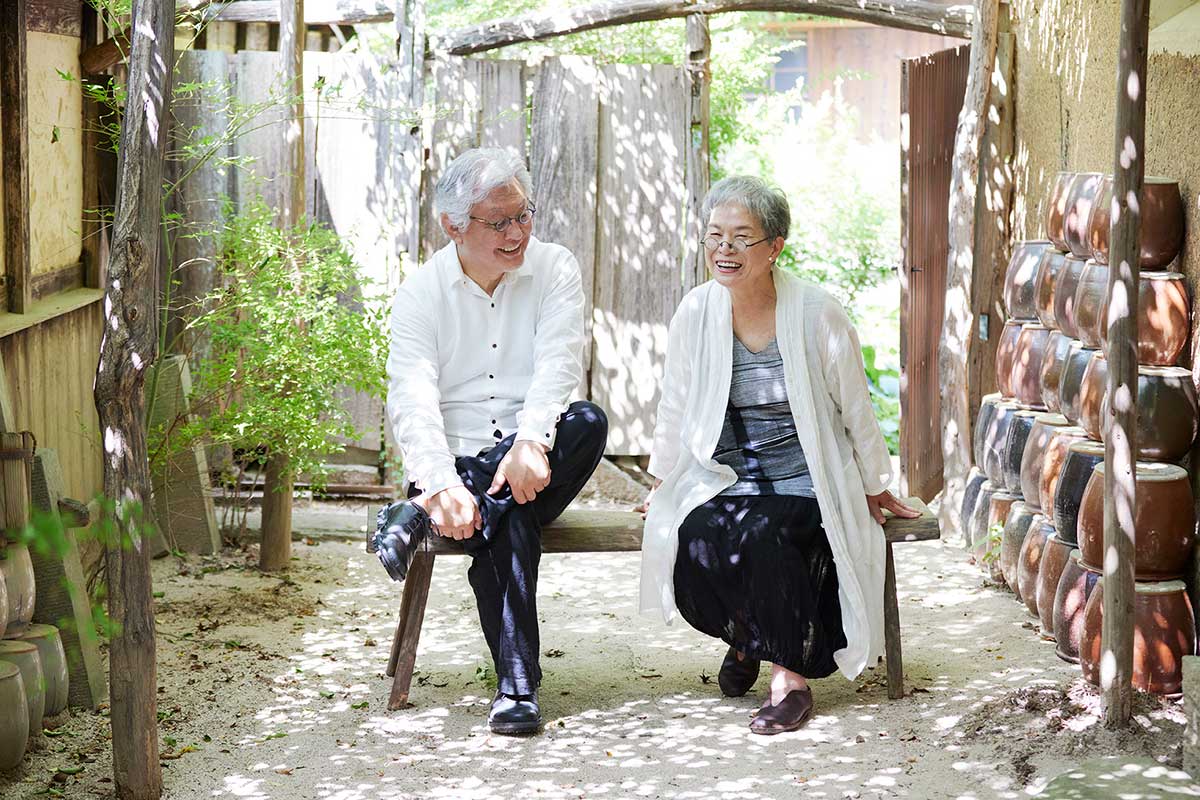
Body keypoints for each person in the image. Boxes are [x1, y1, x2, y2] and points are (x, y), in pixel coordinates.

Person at [639, 175, 919, 734]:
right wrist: (663, 481)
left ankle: (788, 676)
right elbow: (674, 404)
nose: (725, 249)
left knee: (766, 536)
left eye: (742, 237)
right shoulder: (696, 311)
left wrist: (873, 482)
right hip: (725, 478)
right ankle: (746, 635)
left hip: (805, 479)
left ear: (775, 247)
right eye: (715, 235)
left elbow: (856, 410)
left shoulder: (818, 314)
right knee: (690, 538)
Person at [379, 147, 608, 735]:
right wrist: (441, 483)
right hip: (452, 461)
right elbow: (412, 396)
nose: (517, 233)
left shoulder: (554, 267)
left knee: (586, 422)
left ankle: (416, 515)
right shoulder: (421, 291)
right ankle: (517, 687)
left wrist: (532, 440)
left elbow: (559, 364)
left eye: (524, 214)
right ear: (453, 226)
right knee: (511, 519)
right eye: (498, 222)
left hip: (534, 453)